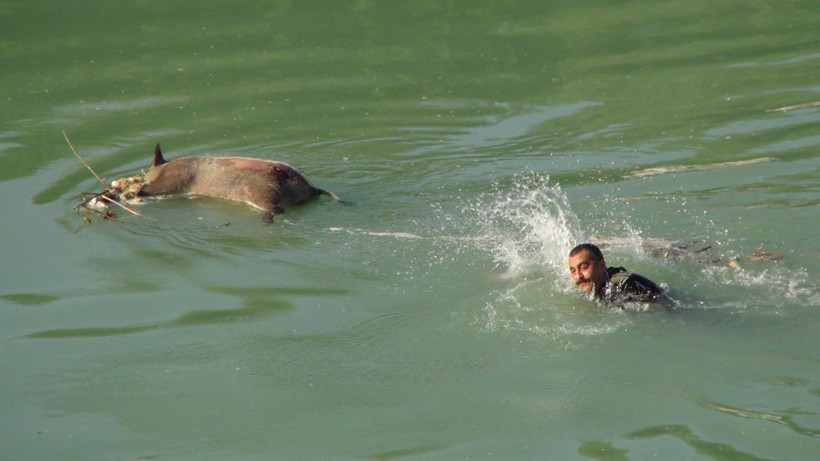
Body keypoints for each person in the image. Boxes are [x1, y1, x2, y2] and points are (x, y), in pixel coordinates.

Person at [568, 243, 664, 305]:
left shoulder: (626, 284)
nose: (578, 276)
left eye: (584, 267)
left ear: (601, 265)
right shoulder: (589, 287)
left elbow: (661, 301)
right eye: (573, 271)